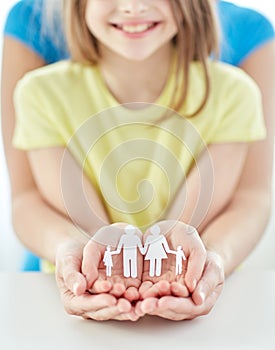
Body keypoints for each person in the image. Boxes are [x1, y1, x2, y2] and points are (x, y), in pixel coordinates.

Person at [0, 0, 274, 322]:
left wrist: (209, 258)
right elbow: (29, 200)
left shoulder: (234, 94)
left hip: (211, 321)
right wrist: (75, 250)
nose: (133, 6)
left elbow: (247, 200)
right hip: (65, 319)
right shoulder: (40, 95)